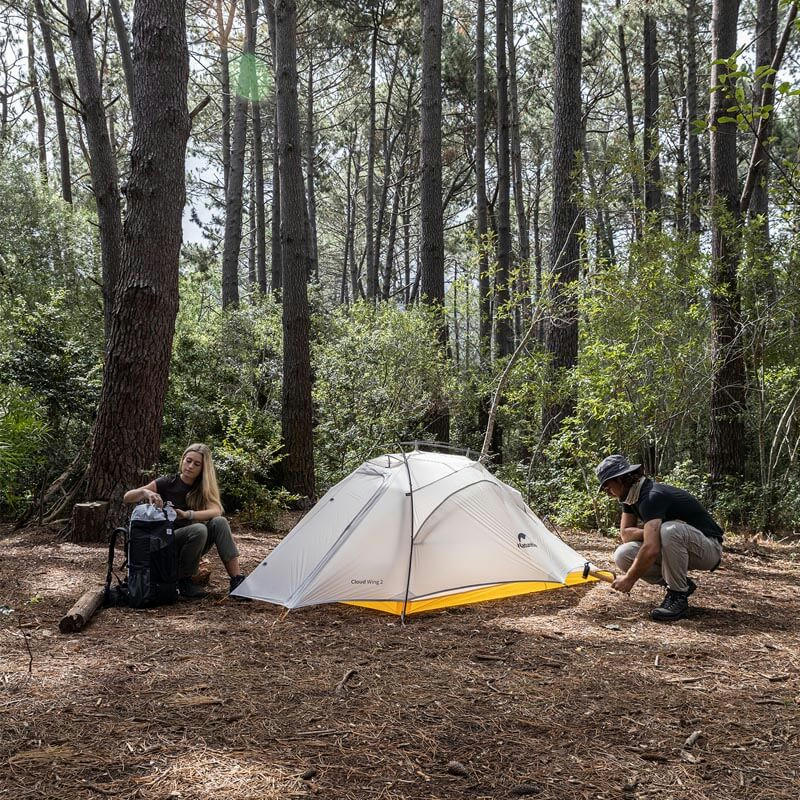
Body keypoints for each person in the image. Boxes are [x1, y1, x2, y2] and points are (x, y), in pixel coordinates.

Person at [595, 454, 723, 622]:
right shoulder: (630, 499)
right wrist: (651, 532)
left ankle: (678, 595)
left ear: (619, 479)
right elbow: (626, 534)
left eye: (607, 486)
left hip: (708, 549)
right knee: (623, 554)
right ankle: (682, 585)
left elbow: (651, 548)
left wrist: (629, 579)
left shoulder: (651, 496)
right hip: (679, 547)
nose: (607, 492)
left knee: (669, 530)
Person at [123, 443, 246, 599]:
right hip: (165, 544)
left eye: (196, 464)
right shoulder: (168, 482)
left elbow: (216, 511)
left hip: (192, 545)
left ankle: (237, 581)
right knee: (199, 529)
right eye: (188, 461)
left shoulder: (202, 487)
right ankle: (183, 581)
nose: (190, 466)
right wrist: (145, 492)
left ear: (203, 469)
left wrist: (188, 515)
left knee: (219, 522)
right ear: (182, 460)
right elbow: (127, 497)